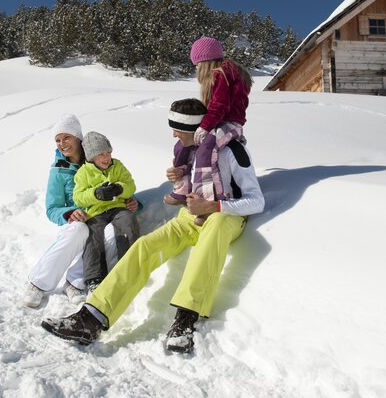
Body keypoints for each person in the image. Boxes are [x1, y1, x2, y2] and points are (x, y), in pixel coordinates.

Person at [41, 98, 265, 354]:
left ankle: (185, 319)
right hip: (191, 217)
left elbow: (255, 200)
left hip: (225, 216)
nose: (173, 134)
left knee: (213, 232)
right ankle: (91, 317)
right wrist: (180, 182)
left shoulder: (232, 151)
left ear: (192, 129)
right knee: (145, 246)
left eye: (177, 129)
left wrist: (214, 208)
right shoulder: (193, 151)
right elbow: (193, 189)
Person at [24, 115, 137, 308]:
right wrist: (69, 213)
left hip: (101, 215)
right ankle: (38, 284)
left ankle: (75, 282)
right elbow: (52, 209)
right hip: (74, 224)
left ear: (78, 138)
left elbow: (121, 185)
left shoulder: (98, 158)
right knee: (80, 230)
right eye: (58, 140)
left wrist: (132, 202)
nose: (62, 144)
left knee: (110, 232)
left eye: (66, 137)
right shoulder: (59, 170)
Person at [164, 37, 252, 226]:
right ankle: (182, 188)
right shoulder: (224, 73)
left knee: (205, 149)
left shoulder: (223, 72)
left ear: (204, 62)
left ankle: (208, 202)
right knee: (184, 144)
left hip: (230, 124)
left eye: (197, 65)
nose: (197, 70)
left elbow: (219, 105)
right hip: (221, 122)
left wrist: (205, 127)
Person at [73, 131, 140, 293]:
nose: (106, 157)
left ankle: (130, 265)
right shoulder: (83, 173)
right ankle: (94, 277)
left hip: (118, 207)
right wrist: (95, 194)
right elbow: (78, 197)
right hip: (96, 212)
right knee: (93, 234)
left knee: (127, 221)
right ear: (91, 157)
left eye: (108, 153)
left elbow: (130, 185)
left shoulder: (117, 166)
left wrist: (120, 188)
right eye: (101, 154)